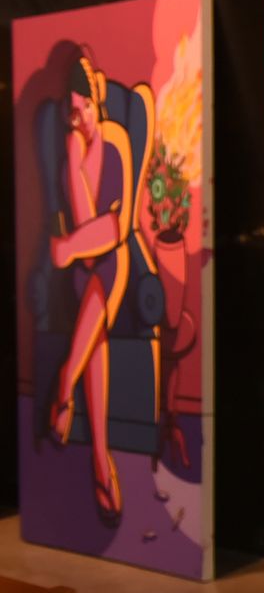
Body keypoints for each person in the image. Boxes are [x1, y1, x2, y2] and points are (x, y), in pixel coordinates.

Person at [45, 56, 139, 526]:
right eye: (73, 112)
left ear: (96, 99)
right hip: (88, 268)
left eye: (84, 108)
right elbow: (88, 230)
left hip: (113, 259)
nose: (79, 118)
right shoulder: (73, 146)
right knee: (95, 318)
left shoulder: (117, 140)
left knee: (113, 255)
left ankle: (66, 381)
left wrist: (68, 246)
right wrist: (76, 154)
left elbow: (120, 224)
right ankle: (101, 460)